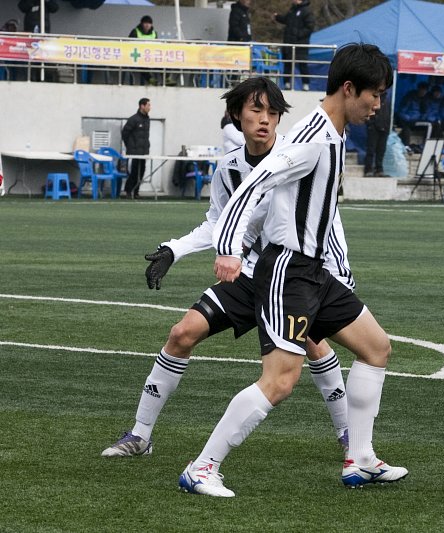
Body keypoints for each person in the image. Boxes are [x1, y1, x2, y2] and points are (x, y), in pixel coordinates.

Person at [179, 43, 406, 498]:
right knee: (281, 380)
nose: (378, 106)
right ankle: (202, 468)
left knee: (376, 348)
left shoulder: (333, 132)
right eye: (374, 95)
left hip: (316, 274)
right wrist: (228, 247)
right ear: (348, 88)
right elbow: (254, 183)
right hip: (288, 272)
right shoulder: (313, 139)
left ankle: (360, 459)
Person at [102, 77, 352, 459]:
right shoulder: (229, 168)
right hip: (250, 275)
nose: (265, 119)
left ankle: (349, 436)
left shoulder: (298, 155)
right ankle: (140, 435)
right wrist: (173, 249)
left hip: (293, 278)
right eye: (256, 110)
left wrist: (339, 272)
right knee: (182, 333)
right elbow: (217, 223)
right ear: (237, 114)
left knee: (315, 347)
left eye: (273, 112)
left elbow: (326, 220)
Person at [274, 0, 314, 91]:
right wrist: (278, 17)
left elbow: (310, 27)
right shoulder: (292, 10)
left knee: (302, 64)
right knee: (288, 63)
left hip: (301, 44)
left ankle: (305, 84)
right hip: (289, 43)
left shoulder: (306, 11)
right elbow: (286, 20)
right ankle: (287, 84)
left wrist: (297, 34)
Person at [121, 98, 151, 199]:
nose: (149, 108)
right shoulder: (133, 119)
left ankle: (136, 192)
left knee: (141, 171)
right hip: (134, 152)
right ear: (142, 106)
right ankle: (128, 191)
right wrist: (130, 146)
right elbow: (125, 133)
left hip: (143, 152)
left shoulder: (147, 119)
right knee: (134, 172)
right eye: (148, 105)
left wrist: (147, 147)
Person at [364, 93, 391, 176]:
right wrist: (370, 124)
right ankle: (368, 169)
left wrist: (387, 127)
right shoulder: (372, 99)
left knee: (381, 150)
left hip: (384, 129)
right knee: (371, 149)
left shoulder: (387, 100)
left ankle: (379, 169)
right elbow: (367, 113)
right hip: (374, 128)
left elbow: (388, 114)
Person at [129, 16, 158, 86]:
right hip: (138, 56)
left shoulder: (154, 33)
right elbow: (129, 43)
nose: (147, 25)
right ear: (142, 24)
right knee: (142, 63)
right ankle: (150, 79)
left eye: (149, 23)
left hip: (151, 56)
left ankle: (166, 78)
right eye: (145, 23)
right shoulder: (135, 31)